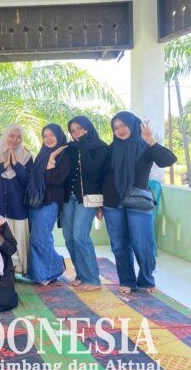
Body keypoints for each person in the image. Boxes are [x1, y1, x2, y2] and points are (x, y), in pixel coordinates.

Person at [101, 111, 176, 294]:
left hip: (138, 200)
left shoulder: (145, 146)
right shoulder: (111, 149)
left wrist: (151, 141)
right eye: (115, 127)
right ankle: (127, 280)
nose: (120, 130)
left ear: (134, 125)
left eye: (124, 125)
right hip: (112, 201)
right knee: (119, 244)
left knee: (143, 243)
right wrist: (98, 204)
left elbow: (168, 160)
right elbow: (102, 175)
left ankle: (146, 280)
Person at [61, 116, 108, 292]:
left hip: (88, 198)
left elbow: (93, 169)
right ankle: (81, 275)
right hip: (68, 198)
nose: (76, 133)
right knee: (69, 238)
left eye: (79, 129)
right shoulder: (70, 148)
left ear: (88, 128)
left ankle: (93, 279)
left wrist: (82, 145)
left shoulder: (101, 147)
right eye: (73, 131)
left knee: (80, 237)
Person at [25, 124, 70, 286]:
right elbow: (33, 177)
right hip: (35, 201)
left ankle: (56, 266)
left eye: (52, 135)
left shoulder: (64, 155)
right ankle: (40, 273)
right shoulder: (42, 154)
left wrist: (52, 159)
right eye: (45, 136)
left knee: (41, 237)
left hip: (50, 201)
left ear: (59, 135)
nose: (48, 138)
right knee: (35, 238)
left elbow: (55, 180)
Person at [0, 124, 33, 275]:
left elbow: (28, 181)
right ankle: (4, 271)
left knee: (18, 239)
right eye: (11, 136)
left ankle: (20, 269)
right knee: (0, 238)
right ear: (6, 136)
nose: (14, 140)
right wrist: (4, 165)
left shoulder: (26, 156)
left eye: (18, 137)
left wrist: (16, 165)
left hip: (18, 207)